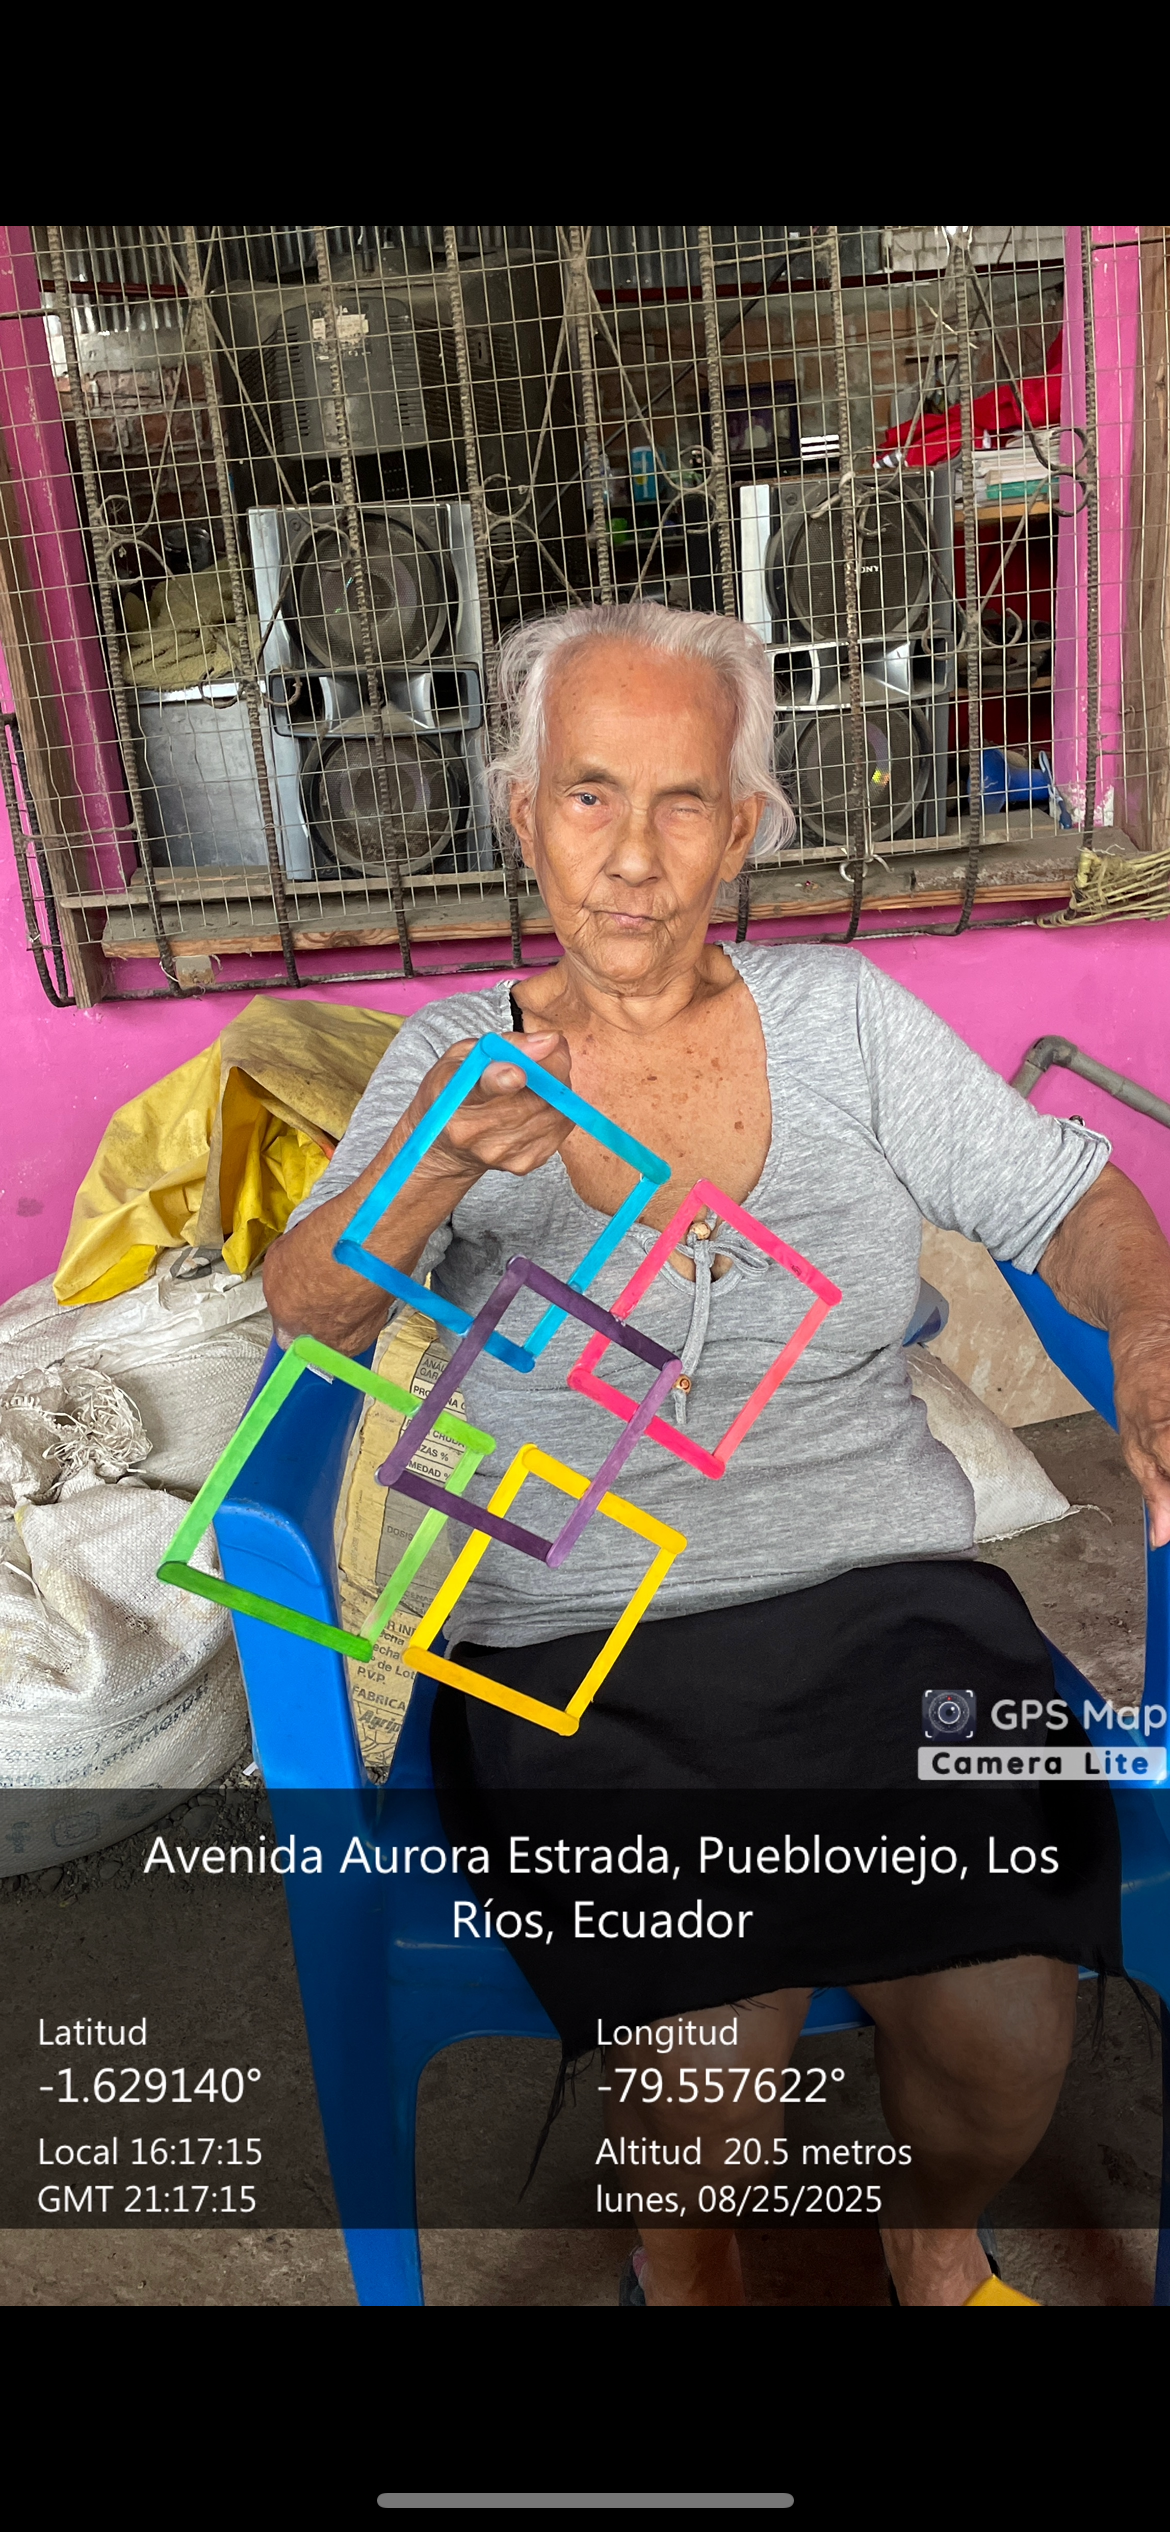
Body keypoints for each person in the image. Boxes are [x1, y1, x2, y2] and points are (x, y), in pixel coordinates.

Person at [265, 602, 1170, 2308]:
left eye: (681, 800)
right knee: (700, 2067)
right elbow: (305, 1311)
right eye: (587, 795)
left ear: (742, 829)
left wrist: (1144, 1330)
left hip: (880, 1605)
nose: (632, 854)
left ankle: (931, 2240)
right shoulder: (450, 1057)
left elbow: (1072, 1202)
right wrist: (436, 1169)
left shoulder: (845, 1022)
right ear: (520, 813)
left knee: (1000, 2019)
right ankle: (685, 2277)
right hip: (577, 1635)